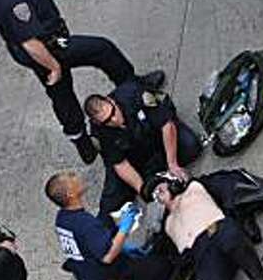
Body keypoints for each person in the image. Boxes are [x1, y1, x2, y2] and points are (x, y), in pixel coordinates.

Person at [0, 0, 164, 164]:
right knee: (97, 55)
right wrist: (54, 67)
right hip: (47, 49)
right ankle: (127, 94)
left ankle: (119, 100)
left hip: (49, 41)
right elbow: (30, 43)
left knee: (68, 88)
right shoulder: (12, 2)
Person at [46, 171, 191, 280]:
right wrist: (125, 227)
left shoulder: (62, 219)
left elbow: (87, 247)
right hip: (112, 278)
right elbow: (108, 256)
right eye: (72, 177)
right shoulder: (85, 224)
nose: (76, 175)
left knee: (129, 266)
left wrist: (124, 249)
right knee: (164, 267)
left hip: (91, 278)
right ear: (70, 194)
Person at [84, 80, 202, 221]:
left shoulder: (134, 93)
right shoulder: (99, 133)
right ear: (97, 122)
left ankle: (161, 170)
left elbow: (166, 124)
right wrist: (144, 190)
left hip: (156, 135)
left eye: (113, 112)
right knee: (113, 199)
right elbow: (120, 164)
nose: (115, 120)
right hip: (135, 156)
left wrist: (172, 163)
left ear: (111, 100)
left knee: (191, 146)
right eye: (108, 121)